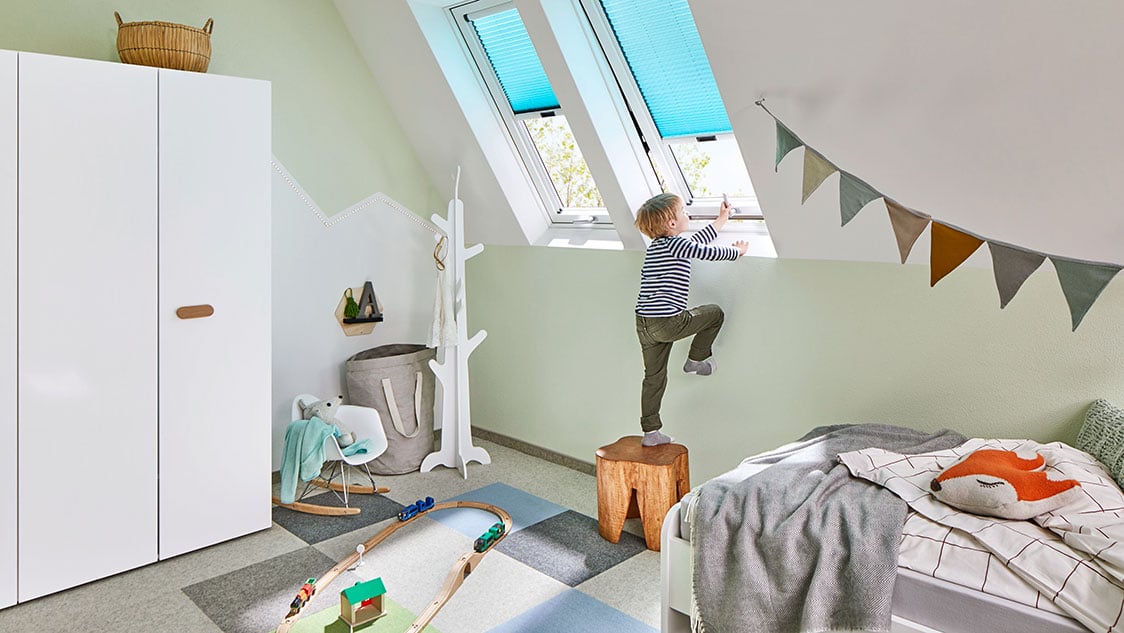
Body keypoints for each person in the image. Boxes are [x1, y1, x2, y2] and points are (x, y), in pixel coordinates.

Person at [633, 193, 748, 446]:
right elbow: (704, 251)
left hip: (644, 323)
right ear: (672, 223)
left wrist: (722, 219)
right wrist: (736, 252)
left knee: (653, 377)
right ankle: (695, 360)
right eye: (684, 211)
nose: (688, 214)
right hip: (667, 321)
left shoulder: (659, 246)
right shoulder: (677, 245)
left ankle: (650, 432)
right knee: (715, 313)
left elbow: (696, 240)